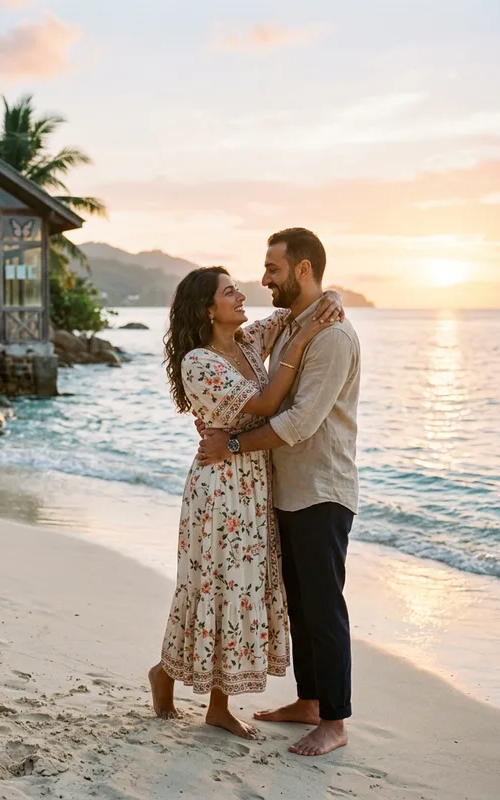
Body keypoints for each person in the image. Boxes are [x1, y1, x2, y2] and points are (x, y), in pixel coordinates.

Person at [148, 265, 343, 739]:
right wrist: (298, 347)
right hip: (218, 489)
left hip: (254, 485)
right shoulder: (198, 361)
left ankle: (210, 701)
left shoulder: (248, 342)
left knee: (238, 592)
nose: (240, 295)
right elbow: (265, 404)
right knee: (212, 589)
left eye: (236, 288)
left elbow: (296, 310)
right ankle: (171, 677)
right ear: (206, 308)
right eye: (228, 291)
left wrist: (331, 293)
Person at [197, 228, 361, 757]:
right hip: (287, 490)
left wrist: (233, 443)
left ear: (303, 270)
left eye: (272, 269)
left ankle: (334, 720)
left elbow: (299, 422)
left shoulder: (332, 336)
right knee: (300, 603)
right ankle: (310, 701)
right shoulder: (293, 325)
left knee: (324, 606)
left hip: (322, 489)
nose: (263, 278)